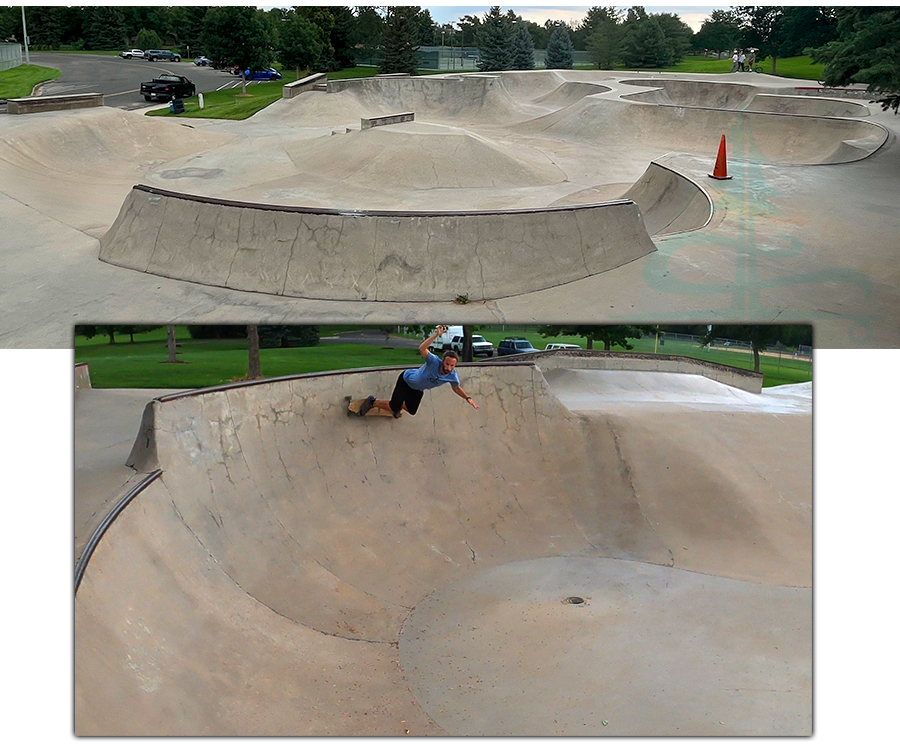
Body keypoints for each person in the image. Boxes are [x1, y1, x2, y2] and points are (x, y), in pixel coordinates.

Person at [359, 325, 479, 418]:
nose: (448, 367)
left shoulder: (452, 376)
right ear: (443, 361)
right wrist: (436, 335)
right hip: (406, 380)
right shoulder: (433, 361)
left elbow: (456, 388)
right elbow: (422, 348)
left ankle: (397, 406)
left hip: (417, 390)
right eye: (447, 364)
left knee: (412, 411)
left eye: (452, 365)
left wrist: (468, 398)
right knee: (394, 406)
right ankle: (372, 402)